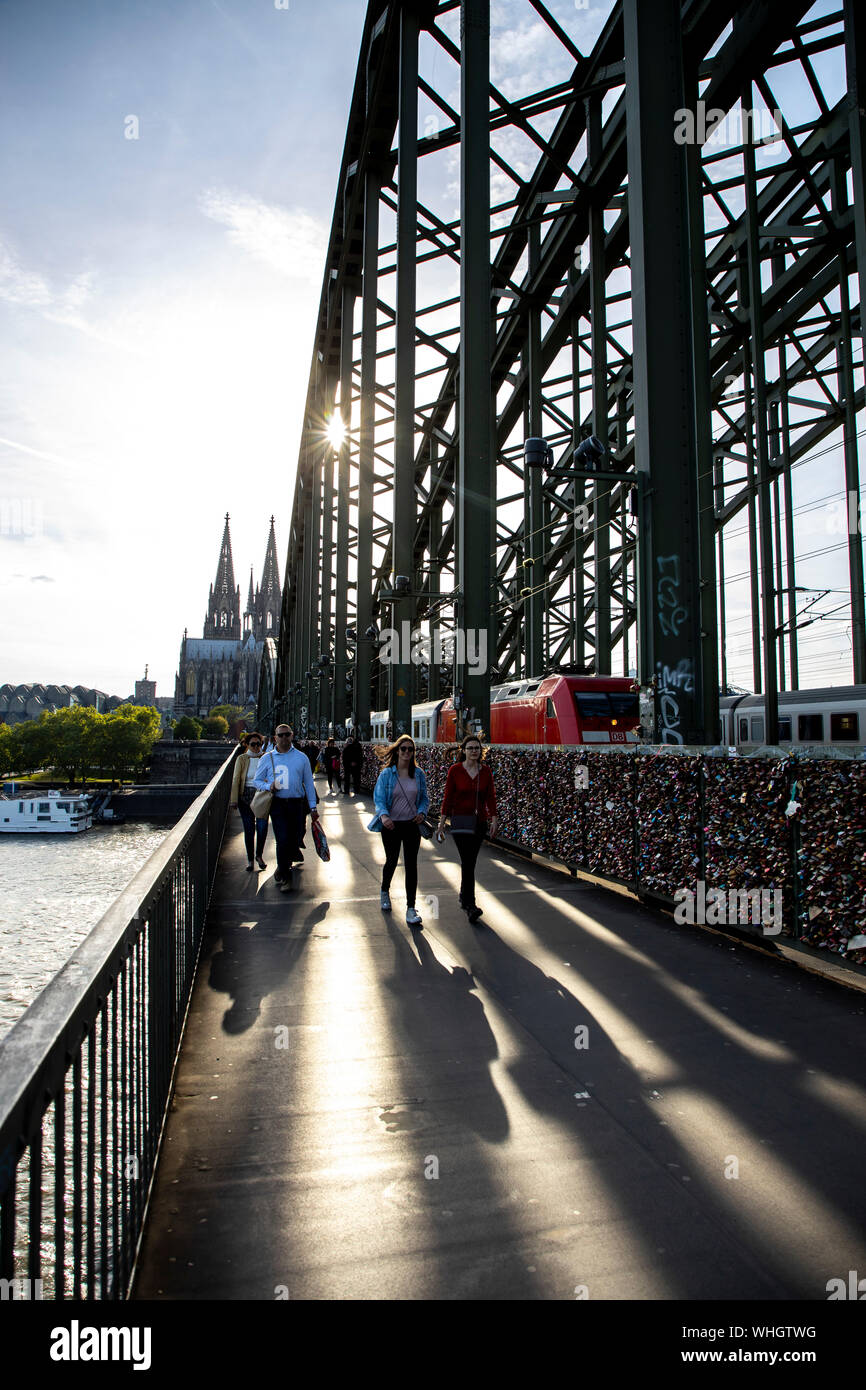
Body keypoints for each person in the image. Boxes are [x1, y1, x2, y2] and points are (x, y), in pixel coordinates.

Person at [368, 736, 429, 927]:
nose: (407, 753)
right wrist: (384, 816)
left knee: (411, 864)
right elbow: (379, 799)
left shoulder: (418, 774)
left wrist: (422, 812)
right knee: (392, 860)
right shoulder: (387, 774)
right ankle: (385, 890)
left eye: (410, 749)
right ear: (397, 751)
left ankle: (411, 908)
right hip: (392, 825)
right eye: (403, 749)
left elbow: (424, 799)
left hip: (411, 825)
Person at [437, 734, 499, 924]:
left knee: (469, 862)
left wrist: (494, 819)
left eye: (477, 748)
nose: (474, 751)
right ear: (463, 750)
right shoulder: (455, 771)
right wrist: (441, 823)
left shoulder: (486, 771)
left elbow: (490, 796)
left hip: (479, 822)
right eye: (470, 748)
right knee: (468, 861)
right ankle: (470, 905)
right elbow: (448, 797)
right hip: (460, 822)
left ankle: (465, 898)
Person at [251, 724, 319, 893]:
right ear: (275, 738)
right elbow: (256, 781)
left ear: (292, 735)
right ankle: (287, 877)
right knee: (282, 839)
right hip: (278, 804)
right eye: (280, 735)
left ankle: (281, 868)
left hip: (297, 803)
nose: (284, 738)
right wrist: (269, 786)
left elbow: (309, 784)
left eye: (287, 734)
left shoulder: (302, 758)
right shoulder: (267, 758)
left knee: (295, 837)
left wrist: (313, 807)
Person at [229, 732, 269, 871]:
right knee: (249, 829)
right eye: (253, 744)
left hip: (261, 796)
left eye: (259, 744)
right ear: (247, 745)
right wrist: (234, 800)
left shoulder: (266, 758)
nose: (257, 747)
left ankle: (259, 855)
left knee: (263, 827)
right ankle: (250, 860)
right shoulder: (242, 758)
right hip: (245, 797)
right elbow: (236, 779)